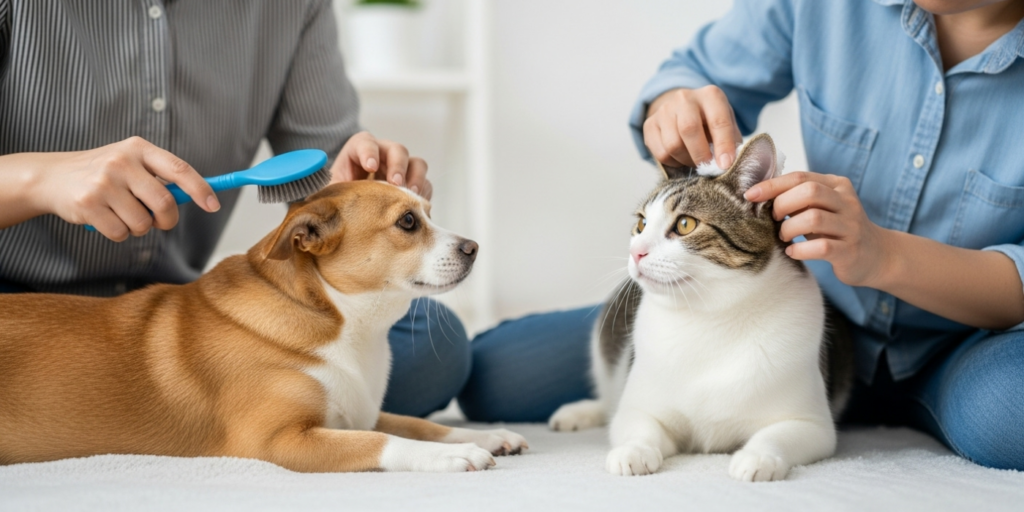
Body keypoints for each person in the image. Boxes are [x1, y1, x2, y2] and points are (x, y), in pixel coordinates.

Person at [458, 0, 1024, 471]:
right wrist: (673, 107)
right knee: (489, 375)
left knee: (1012, 415)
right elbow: (688, 75)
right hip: (772, 308)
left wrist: (884, 256)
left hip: (965, 338)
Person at [0, 1, 468, 418]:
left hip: (176, 308)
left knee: (432, 354)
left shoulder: (292, 7)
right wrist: (35, 180)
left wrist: (368, 185)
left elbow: (327, 181)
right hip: (16, 299)